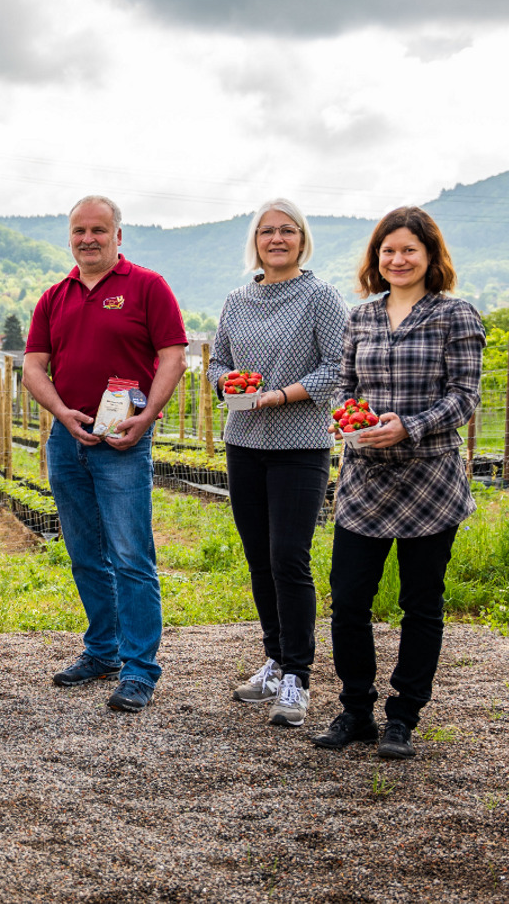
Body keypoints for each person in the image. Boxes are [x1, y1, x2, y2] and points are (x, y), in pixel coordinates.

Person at [313, 206, 483, 760]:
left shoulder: (456, 316)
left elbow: (464, 397)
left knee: (421, 603)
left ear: (431, 255)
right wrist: (350, 419)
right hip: (364, 480)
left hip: (429, 481)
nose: (398, 259)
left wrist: (407, 427)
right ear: (376, 258)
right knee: (349, 600)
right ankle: (355, 709)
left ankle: (403, 717)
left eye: (409, 249)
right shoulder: (359, 317)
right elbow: (343, 386)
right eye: (389, 250)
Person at [22, 196, 187, 712]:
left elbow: (173, 358)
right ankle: (103, 650)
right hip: (68, 440)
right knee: (85, 553)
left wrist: (147, 417)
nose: (87, 238)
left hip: (124, 441)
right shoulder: (55, 296)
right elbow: (33, 367)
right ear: (69, 237)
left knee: (132, 557)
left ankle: (140, 669)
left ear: (119, 235)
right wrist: (62, 413)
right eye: (78, 230)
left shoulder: (147, 287)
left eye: (98, 229)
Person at [210, 199, 347, 727]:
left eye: (287, 231)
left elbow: (336, 366)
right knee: (259, 558)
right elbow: (218, 361)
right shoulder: (238, 299)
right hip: (243, 441)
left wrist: (283, 395)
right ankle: (273, 656)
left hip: (300, 445)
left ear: (302, 238)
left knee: (289, 557)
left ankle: (298, 676)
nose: (277, 239)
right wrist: (230, 384)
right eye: (267, 231)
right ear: (256, 241)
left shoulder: (321, 297)